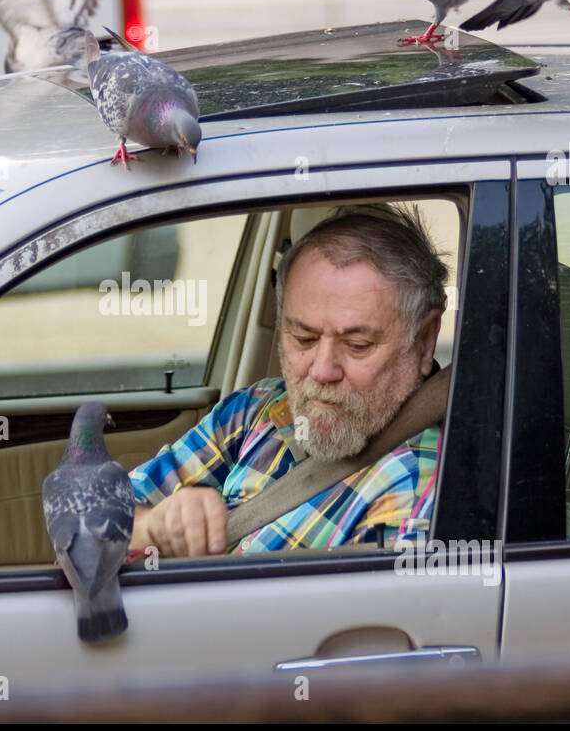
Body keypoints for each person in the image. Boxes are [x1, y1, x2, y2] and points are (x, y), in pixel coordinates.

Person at [128, 206, 446, 558]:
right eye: (303, 338)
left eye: (358, 346)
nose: (322, 370)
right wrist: (150, 526)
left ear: (425, 340)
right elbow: (89, 520)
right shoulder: (256, 411)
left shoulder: (415, 493)